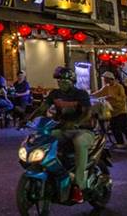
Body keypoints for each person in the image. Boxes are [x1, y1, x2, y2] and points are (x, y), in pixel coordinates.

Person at [27, 66, 94, 203]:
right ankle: (55, 170)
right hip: (63, 129)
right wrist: (28, 119)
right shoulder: (54, 94)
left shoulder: (81, 94)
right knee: (44, 138)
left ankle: (79, 184)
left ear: (72, 81)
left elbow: (88, 113)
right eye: (59, 81)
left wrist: (76, 123)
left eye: (65, 81)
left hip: (82, 130)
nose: (61, 83)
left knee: (79, 142)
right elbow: (42, 109)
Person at [93, 71, 127, 147]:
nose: (104, 80)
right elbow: (99, 93)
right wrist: (89, 95)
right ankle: (120, 142)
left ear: (110, 79)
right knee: (114, 127)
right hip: (112, 110)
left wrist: (113, 97)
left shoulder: (119, 87)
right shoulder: (106, 87)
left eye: (105, 79)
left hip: (121, 110)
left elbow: (123, 98)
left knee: (124, 126)